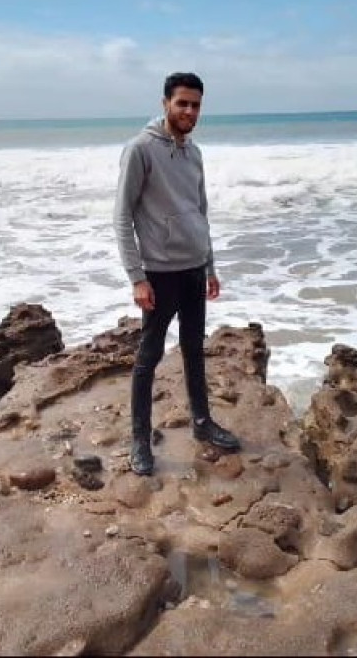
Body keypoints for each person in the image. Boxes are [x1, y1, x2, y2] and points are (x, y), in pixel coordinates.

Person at [113, 72, 240, 476]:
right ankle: (139, 439)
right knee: (148, 356)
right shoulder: (140, 149)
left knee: (193, 348)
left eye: (196, 105)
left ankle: (202, 422)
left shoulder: (194, 153)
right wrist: (137, 278)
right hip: (160, 273)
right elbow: (122, 217)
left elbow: (201, 213)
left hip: (194, 269)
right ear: (165, 103)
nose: (189, 111)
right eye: (182, 103)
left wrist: (210, 265)